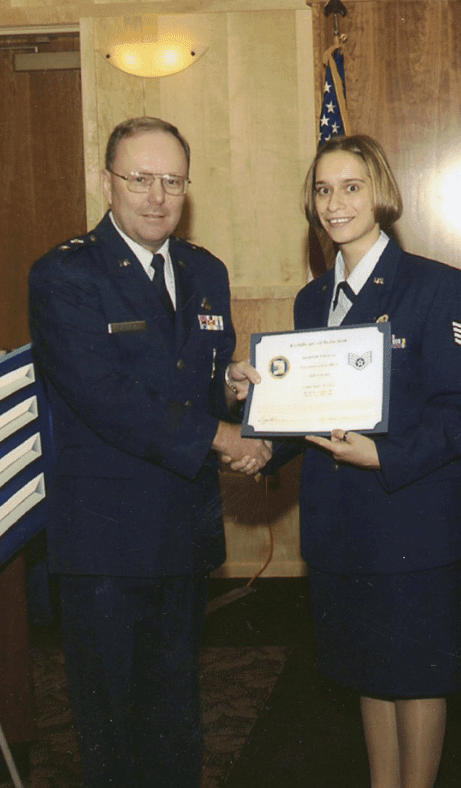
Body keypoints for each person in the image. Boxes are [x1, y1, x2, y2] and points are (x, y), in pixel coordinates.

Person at [27, 116, 271, 788]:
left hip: (182, 529)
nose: (156, 196)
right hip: (105, 540)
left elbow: (194, 379)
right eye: (140, 179)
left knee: (174, 711)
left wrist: (229, 388)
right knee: (109, 723)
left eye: (172, 181)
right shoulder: (64, 274)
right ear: (107, 182)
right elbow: (105, 396)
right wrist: (223, 437)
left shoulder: (204, 270)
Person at [277, 134, 461, 788]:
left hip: (412, 518)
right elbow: (304, 410)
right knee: (367, 669)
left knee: (417, 674)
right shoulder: (313, 300)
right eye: (322, 189)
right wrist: (256, 402)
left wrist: (384, 454)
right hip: (340, 524)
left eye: (350, 187)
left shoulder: (436, 287)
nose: (335, 203)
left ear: (382, 195)